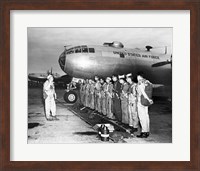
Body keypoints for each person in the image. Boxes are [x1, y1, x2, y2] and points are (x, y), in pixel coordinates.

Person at [136, 72, 153, 138]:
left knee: (142, 118)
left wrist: (148, 99)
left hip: (141, 101)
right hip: (146, 103)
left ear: (140, 77)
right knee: (146, 116)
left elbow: (143, 92)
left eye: (138, 77)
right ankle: (147, 131)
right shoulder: (148, 82)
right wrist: (149, 100)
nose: (137, 79)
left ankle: (143, 132)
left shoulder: (140, 83)